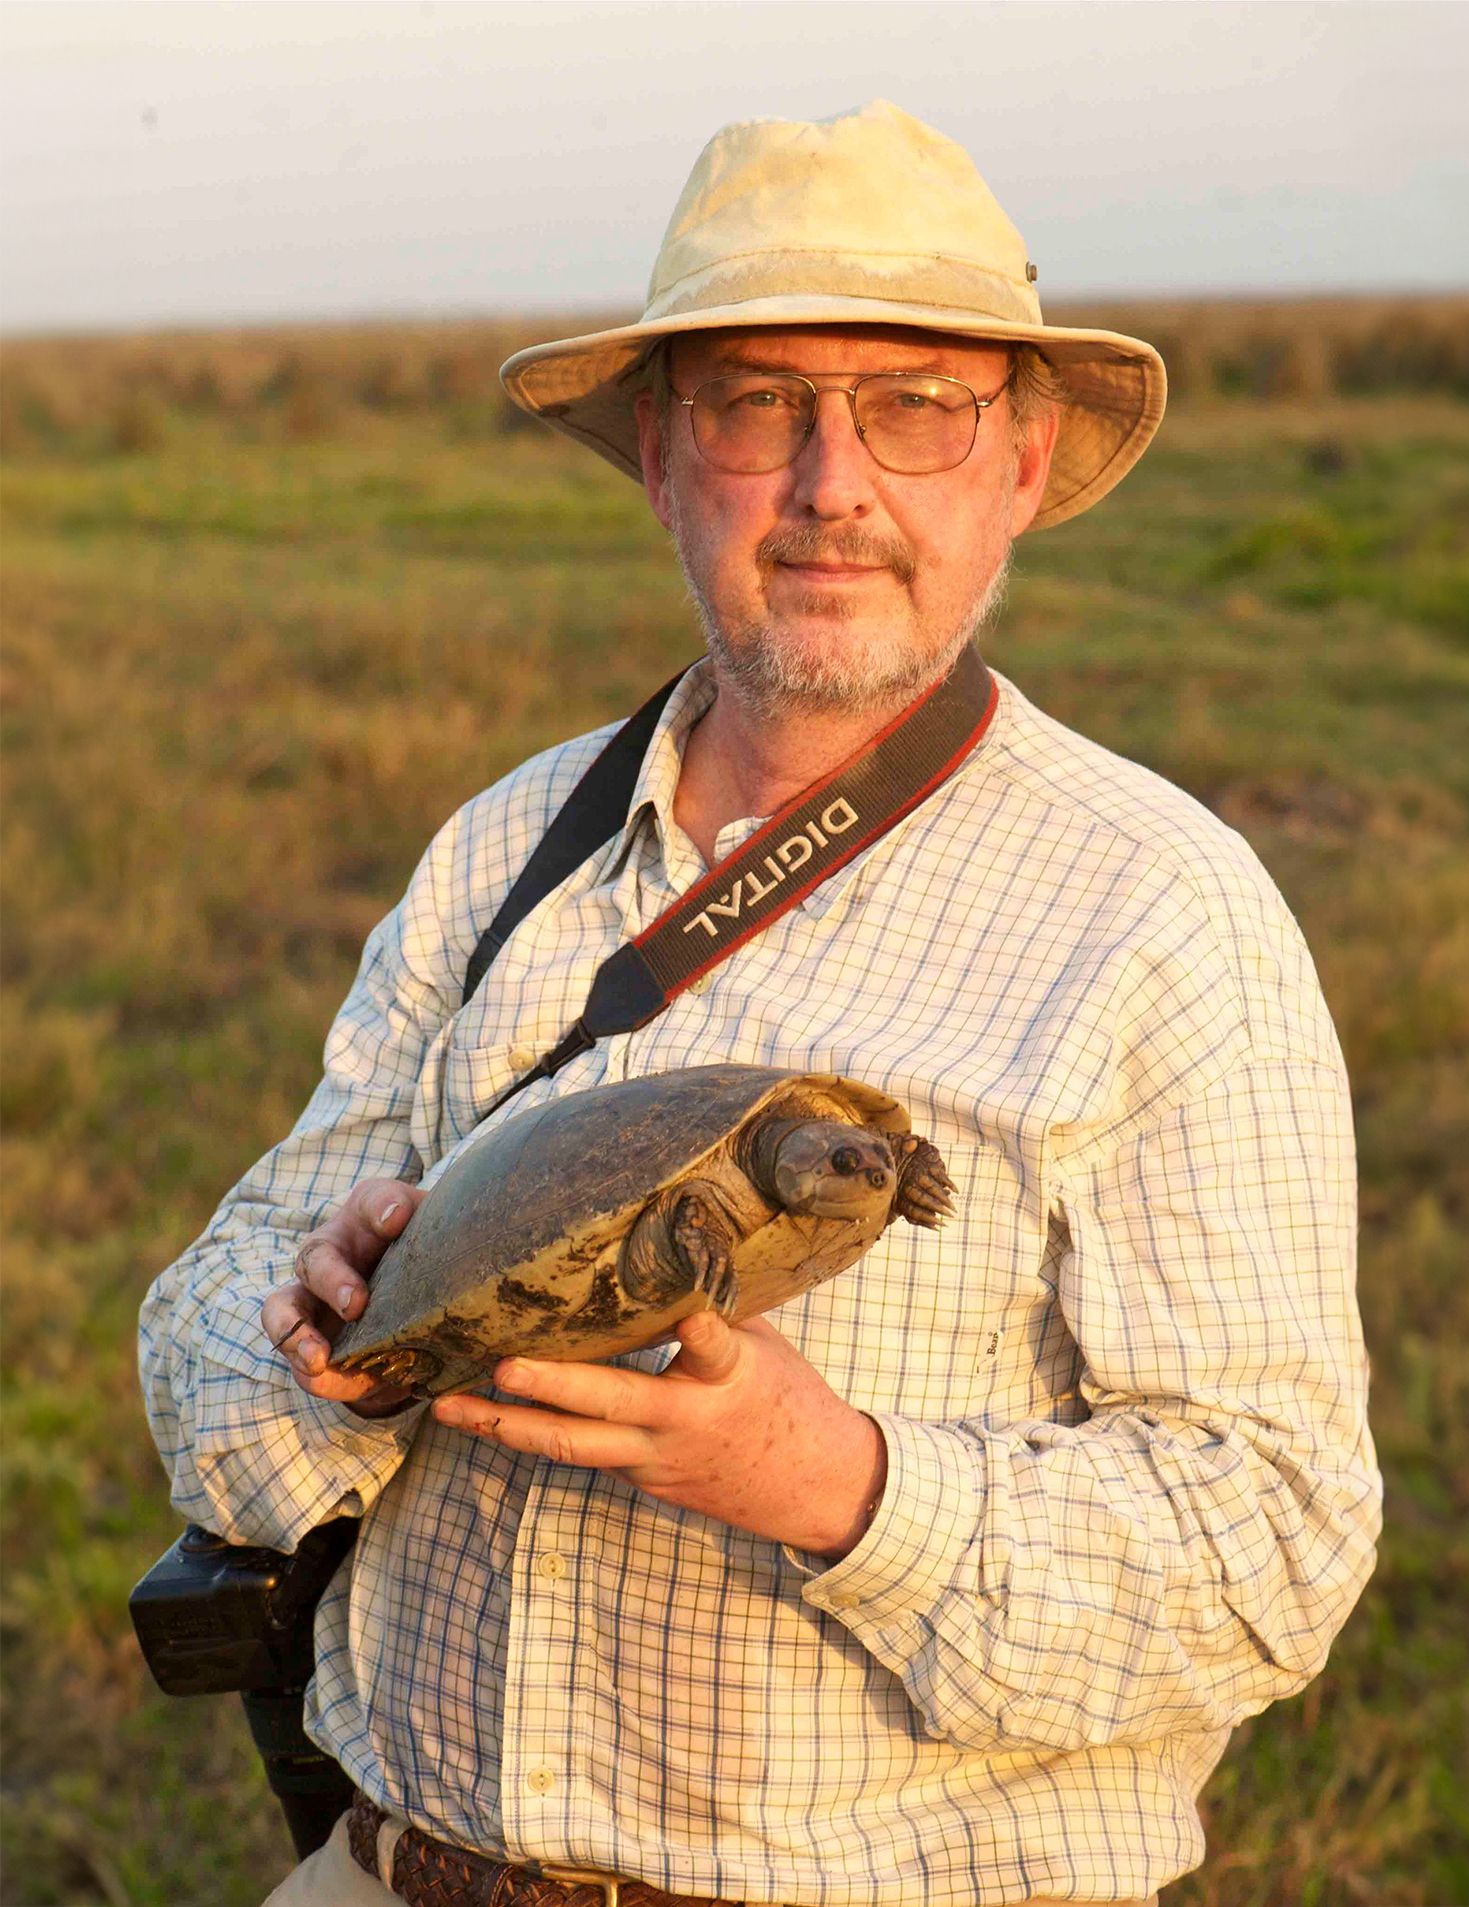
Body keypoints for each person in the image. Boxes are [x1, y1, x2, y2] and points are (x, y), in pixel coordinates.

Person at [140, 102, 1381, 1907]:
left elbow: (1279, 1541)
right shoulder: (503, 853)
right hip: (395, 1862)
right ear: (660, 456)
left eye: (916, 407)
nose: (832, 485)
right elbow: (206, 1343)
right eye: (754, 405)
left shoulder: (1163, 915)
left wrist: (839, 1483)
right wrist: (316, 1341)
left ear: (1023, 461)